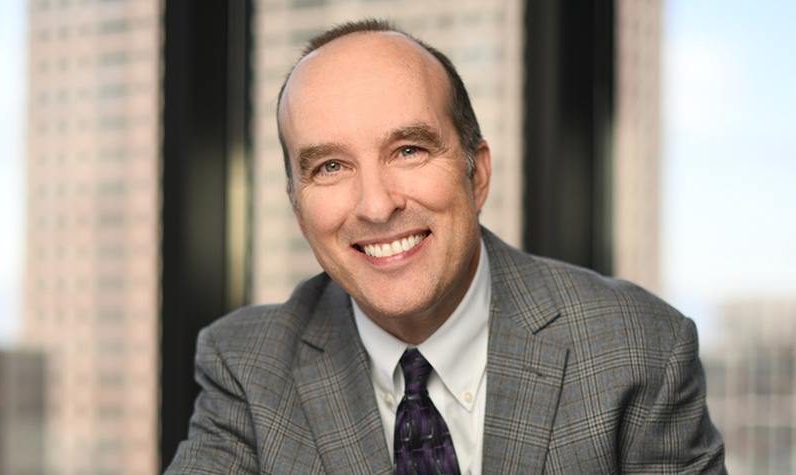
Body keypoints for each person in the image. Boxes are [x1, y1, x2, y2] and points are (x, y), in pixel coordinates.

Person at [165, 19, 726, 474]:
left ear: (476, 175)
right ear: (298, 211)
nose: (376, 206)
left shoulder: (640, 348)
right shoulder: (246, 365)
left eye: (408, 150)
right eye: (330, 167)